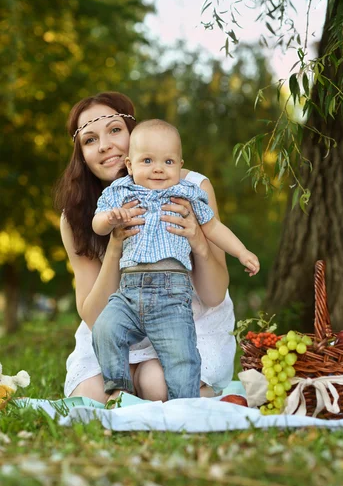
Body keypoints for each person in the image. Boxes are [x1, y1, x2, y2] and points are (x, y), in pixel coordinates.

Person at [55, 91, 237, 404]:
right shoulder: (76, 217)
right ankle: (135, 387)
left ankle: (203, 393)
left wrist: (198, 241)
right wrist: (115, 246)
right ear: (82, 154)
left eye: (114, 130)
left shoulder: (190, 188)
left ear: (134, 135)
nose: (104, 146)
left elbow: (214, 294)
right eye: (89, 140)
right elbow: (94, 316)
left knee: (157, 384)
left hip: (185, 319)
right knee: (91, 395)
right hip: (120, 323)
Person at [91, 119, 260, 403]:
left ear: (180, 165)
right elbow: (97, 223)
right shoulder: (119, 193)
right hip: (128, 292)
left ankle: (186, 404)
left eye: (168, 161)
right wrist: (109, 220)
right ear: (130, 166)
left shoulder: (187, 194)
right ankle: (118, 389)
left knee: (181, 354)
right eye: (147, 160)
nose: (158, 168)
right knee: (105, 329)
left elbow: (214, 228)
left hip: (171, 293)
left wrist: (242, 252)